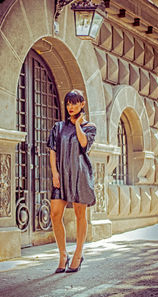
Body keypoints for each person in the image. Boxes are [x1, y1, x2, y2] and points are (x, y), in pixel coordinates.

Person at [47, 89, 97, 273]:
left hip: (80, 176)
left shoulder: (90, 127)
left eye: (75, 103)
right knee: (55, 214)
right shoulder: (58, 127)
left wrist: (78, 124)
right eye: (68, 103)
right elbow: (52, 150)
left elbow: (84, 144)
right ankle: (62, 254)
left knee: (79, 215)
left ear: (82, 104)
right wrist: (54, 173)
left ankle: (78, 253)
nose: (71, 107)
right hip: (61, 175)